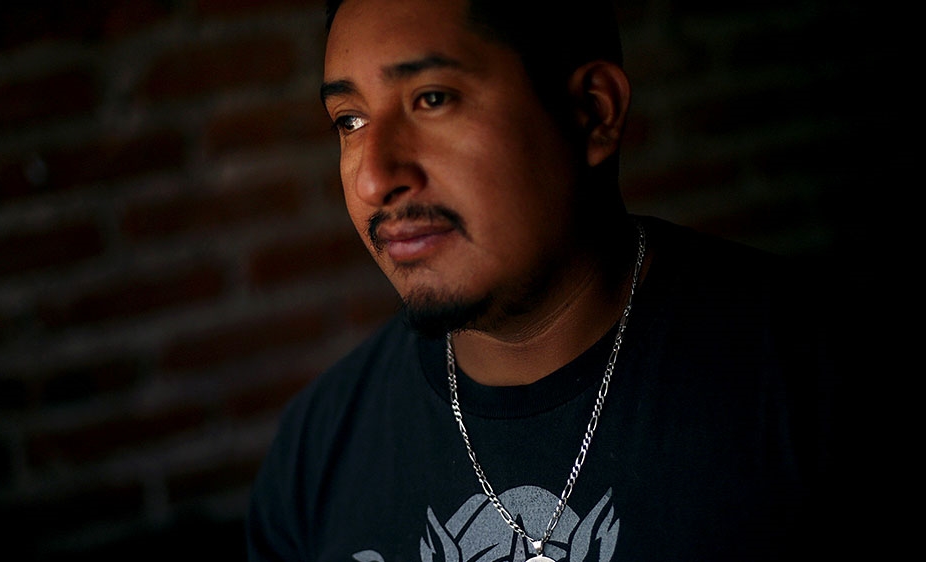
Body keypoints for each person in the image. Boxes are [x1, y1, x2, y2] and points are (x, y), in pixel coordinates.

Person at [246, 0, 851, 560]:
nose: (374, 179)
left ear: (592, 113)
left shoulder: (816, 378)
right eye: (349, 120)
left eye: (432, 99)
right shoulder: (322, 446)